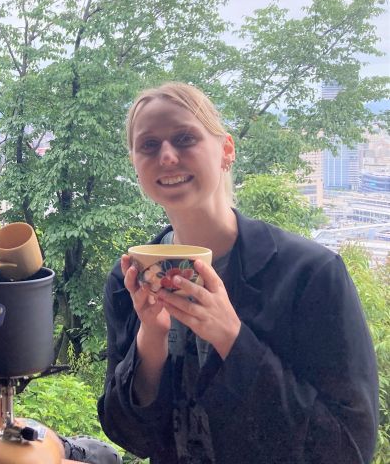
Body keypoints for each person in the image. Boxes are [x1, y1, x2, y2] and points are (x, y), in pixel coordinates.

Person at [98, 82, 378, 463]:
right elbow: (131, 437)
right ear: (134, 162)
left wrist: (231, 338)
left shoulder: (311, 275)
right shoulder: (128, 281)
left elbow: (350, 449)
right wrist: (151, 339)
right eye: (148, 145)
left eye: (184, 138)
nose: (166, 156)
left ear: (226, 150)